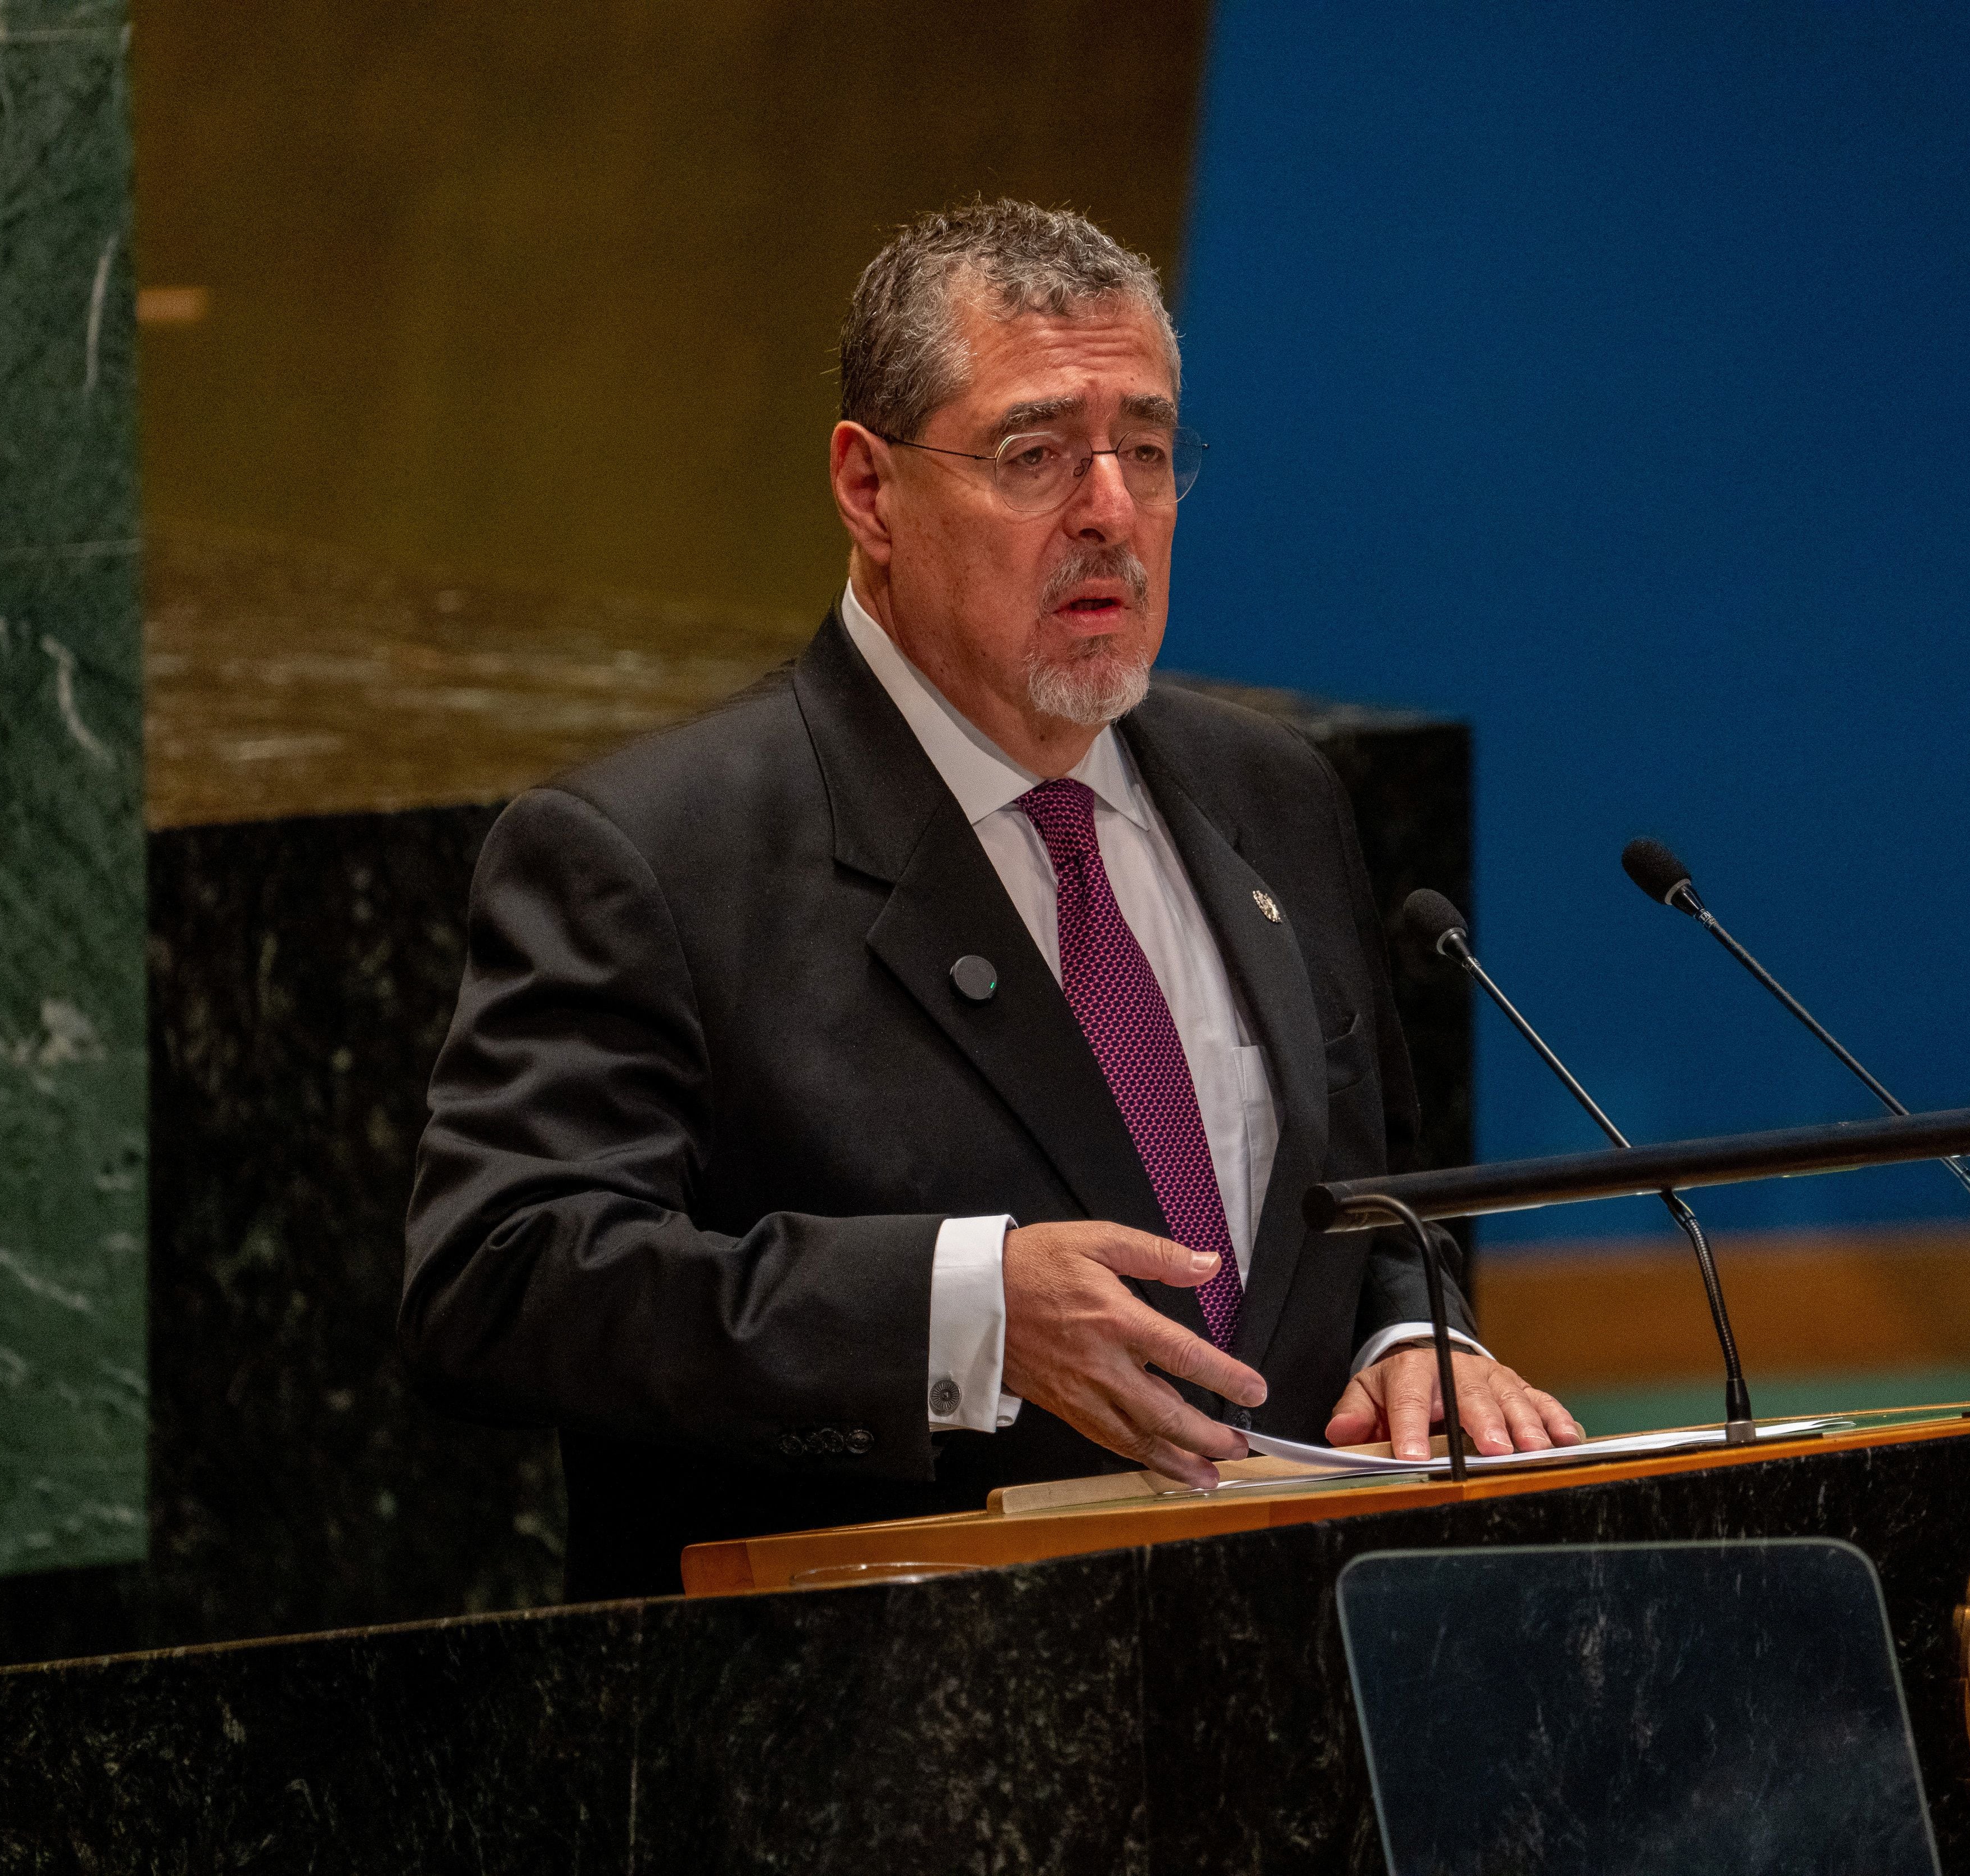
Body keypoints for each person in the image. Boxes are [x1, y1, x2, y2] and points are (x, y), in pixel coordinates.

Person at [401, 201, 1581, 1598]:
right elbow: (500, 1278)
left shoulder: (1270, 792)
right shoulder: (648, 852)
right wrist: (961, 1313)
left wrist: (1407, 1337)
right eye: (1034, 453)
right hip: (891, 1730)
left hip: (1292, 1680)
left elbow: (1352, 1206)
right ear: (867, 486)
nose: (1109, 509)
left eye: (1145, 449)